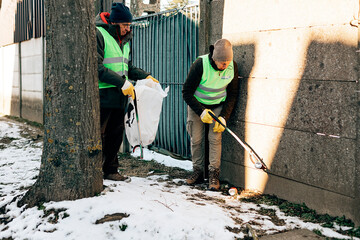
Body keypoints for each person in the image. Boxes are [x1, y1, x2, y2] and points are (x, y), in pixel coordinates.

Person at [96, 3, 159, 181]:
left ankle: (110, 170)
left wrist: (145, 76)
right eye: (125, 25)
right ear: (114, 23)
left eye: (129, 25)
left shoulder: (124, 40)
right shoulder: (99, 34)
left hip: (119, 95)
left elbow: (126, 67)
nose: (128, 29)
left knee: (115, 135)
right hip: (102, 94)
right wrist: (122, 83)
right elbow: (96, 67)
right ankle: (94, 171)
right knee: (98, 135)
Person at [182, 39, 239, 190]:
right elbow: (186, 92)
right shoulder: (200, 65)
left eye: (228, 61)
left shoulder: (232, 67)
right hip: (198, 105)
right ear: (214, 59)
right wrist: (200, 112)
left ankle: (214, 175)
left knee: (215, 138)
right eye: (222, 62)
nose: (225, 65)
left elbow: (233, 94)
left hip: (218, 106)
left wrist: (224, 117)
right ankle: (197, 171)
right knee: (197, 139)